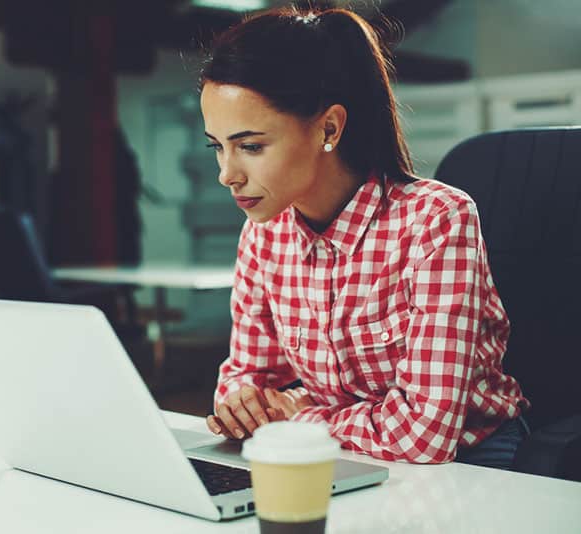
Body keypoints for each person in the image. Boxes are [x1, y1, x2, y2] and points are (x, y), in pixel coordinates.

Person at [199, 7, 529, 468]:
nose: (226, 175)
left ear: (329, 128)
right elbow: (245, 378)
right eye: (218, 146)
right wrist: (242, 406)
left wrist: (298, 417)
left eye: (250, 146)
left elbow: (425, 437)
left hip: (464, 460)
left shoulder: (437, 221)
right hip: (343, 452)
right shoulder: (264, 233)